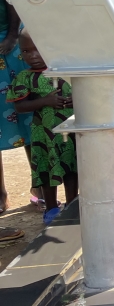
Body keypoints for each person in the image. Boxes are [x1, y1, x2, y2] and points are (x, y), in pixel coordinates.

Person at [7, 31, 77, 225]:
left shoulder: (68, 72)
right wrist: (46, 101)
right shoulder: (25, 77)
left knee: (71, 169)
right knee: (46, 170)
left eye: (38, 50)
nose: (33, 56)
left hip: (69, 132)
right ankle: (52, 208)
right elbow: (20, 107)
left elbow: (87, 94)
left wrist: (76, 99)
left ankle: (72, 205)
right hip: (42, 134)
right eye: (26, 51)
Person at [0, 0, 32, 232]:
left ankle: (39, 186)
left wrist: (12, 35)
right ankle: (0, 194)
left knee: (30, 116)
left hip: (10, 42)